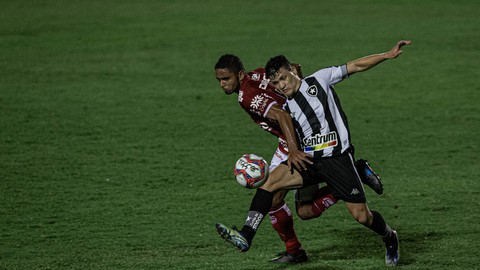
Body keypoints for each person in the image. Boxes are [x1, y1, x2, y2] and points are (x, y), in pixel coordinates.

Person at [215, 40, 412, 267]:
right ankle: (246, 234)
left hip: (338, 159)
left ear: (292, 71)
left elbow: (356, 66)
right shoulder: (287, 105)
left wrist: (386, 55)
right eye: (276, 83)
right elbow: (284, 116)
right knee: (270, 186)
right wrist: (295, 150)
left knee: (362, 216)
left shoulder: (320, 79)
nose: (281, 86)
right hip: (310, 159)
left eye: (283, 79)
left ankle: (389, 236)